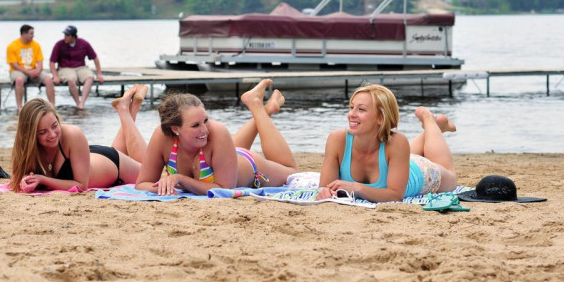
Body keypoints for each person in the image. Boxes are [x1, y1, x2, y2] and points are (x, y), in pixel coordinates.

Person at [135, 79, 298, 196]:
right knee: (218, 144)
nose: (205, 129)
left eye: (206, 120)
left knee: (292, 172)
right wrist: (164, 188)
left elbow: (224, 189)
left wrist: (180, 179)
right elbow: (142, 184)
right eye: (195, 125)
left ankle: (257, 107)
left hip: (250, 165)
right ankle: (265, 109)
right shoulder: (162, 136)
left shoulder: (217, 131)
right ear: (175, 128)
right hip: (222, 156)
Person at [316, 84, 458, 202]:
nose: (351, 114)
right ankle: (436, 128)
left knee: (450, 177)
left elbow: (396, 196)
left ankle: (428, 119)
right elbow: (324, 187)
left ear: (380, 117)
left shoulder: (398, 141)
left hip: (421, 172)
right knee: (404, 153)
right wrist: (324, 191)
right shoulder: (337, 139)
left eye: (361, 109)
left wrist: (357, 187)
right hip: (397, 161)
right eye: (351, 107)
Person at [10, 84, 149, 193]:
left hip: (115, 165)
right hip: (89, 159)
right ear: (30, 135)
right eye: (42, 132)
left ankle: (126, 110)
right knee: (125, 153)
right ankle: (130, 106)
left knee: (149, 174)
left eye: (54, 125)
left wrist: (42, 180)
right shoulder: (24, 149)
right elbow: (16, 181)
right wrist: (25, 180)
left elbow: (81, 186)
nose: (52, 134)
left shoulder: (72, 134)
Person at [49, 25, 103, 110]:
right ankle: (78, 103)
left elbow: (95, 58)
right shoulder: (59, 44)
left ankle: (82, 103)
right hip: (65, 68)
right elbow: (52, 62)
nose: (65, 37)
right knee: (71, 79)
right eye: (64, 35)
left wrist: (99, 74)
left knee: (90, 77)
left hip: (81, 67)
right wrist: (55, 76)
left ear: (73, 36)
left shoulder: (84, 43)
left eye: (67, 35)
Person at [6, 24, 55, 112]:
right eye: (31, 34)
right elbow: (14, 64)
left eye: (33, 33)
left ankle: (52, 106)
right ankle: (20, 107)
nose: (33, 36)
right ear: (24, 34)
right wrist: (28, 73)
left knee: (49, 80)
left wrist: (38, 71)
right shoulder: (12, 46)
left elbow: (40, 61)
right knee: (19, 80)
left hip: (33, 70)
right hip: (18, 70)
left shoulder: (36, 45)